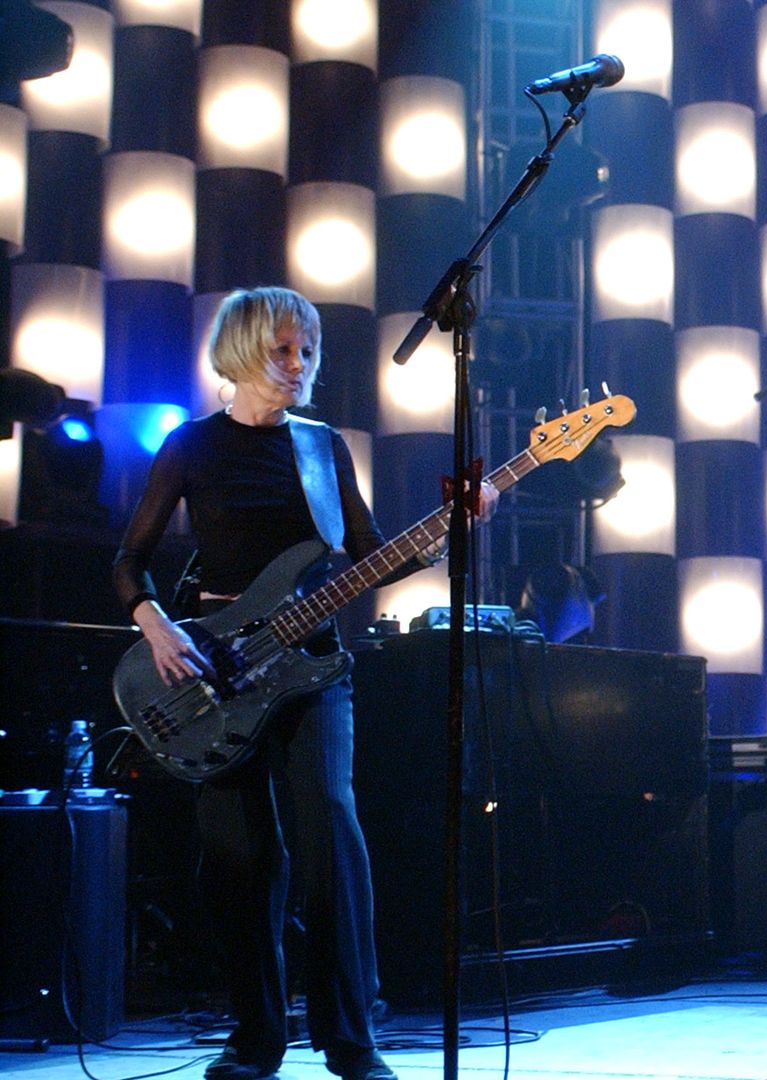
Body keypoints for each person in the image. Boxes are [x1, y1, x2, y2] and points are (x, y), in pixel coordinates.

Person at [112, 287, 495, 1080]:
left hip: (315, 667)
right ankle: (255, 1038)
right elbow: (129, 558)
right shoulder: (190, 447)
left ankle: (352, 1040)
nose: (298, 364)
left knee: (333, 832)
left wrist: (451, 524)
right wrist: (156, 623)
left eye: (308, 351)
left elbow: (370, 553)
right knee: (239, 857)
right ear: (244, 351)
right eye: (284, 350)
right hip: (214, 675)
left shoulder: (324, 447)